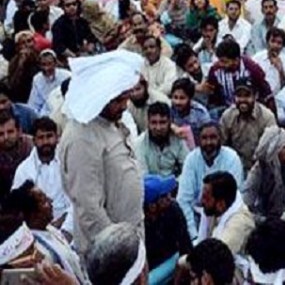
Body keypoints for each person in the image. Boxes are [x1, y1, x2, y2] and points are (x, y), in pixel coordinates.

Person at [58, 50, 145, 255]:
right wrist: (118, 250)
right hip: (109, 254)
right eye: (118, 100)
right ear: (100, 96)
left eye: (125, 99)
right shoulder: (82, 136)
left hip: (131, 240)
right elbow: (89, 209)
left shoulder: (111, 123)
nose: (124, 106)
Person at [2, 180, 87, 283]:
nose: (51, 201)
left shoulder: (51, 230)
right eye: (44, 201)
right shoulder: (37, 250)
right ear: (34, 215)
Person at [177, 122, 244, 239]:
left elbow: (233, 198)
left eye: (213, 137)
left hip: (223, 213)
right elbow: (183, 200)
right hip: (196, 216)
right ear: (198, 140)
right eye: (204, 138)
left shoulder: (232, 158)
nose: (208, 142)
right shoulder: (191, 159)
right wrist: (193, 234)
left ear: (220, 139)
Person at [11, 117, 73, 234]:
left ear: (57, 137)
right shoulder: (24, 170)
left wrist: (64, 224)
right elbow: (18, 209)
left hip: (71, 225)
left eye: (49, 136)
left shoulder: (69, 161)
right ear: (34, 140)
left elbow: (78, 200)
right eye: (41, 138)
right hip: (37, 231)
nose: (45, 142)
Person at [242, 125, 285, 220]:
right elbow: (246, 199)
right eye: (284, 147)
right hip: (267, 218)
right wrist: (261, 219)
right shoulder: (260, 168)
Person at [219, 78, 277, 171]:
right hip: (234, 166)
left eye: (247, 95)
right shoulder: (228, 116)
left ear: (256, 96)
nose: (242, 100)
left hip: (261, 167)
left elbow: (272, 150)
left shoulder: (267, 117)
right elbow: (222, 147)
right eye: (239, 96)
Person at [142, 174, 192, 283]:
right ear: (152, 206)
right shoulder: (139, 223)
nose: (169, 197)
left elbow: (186, 245)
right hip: (149, 271)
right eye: (164, 196)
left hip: (171, 262)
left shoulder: (173, 210)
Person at [196, 171, 254, 256]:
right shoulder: (215, 211)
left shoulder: (238, 224)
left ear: (221, 204)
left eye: (206, 198)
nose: (201, 202)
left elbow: (215, 257)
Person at [134, 102, 189, 177]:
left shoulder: (178, 140)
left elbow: (188, 168)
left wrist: (175, 181)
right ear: (148, 123)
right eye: (154, 123)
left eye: (162, 122)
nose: (158, 128)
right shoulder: (139, 143)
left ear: (170, 122)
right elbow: (142, 175)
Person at [26, 50, 70, 116]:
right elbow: (33, 104)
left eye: (49, 64)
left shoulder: (66, 76)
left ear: (55, 63)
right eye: (43, 64)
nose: (46, 68)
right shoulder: (37, 79)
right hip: (45, 114)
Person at [0, 109, 32, 197]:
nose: (6, 137)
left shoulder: (32, 147)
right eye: (1, 134)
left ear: (19, 131)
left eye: (10, 132)